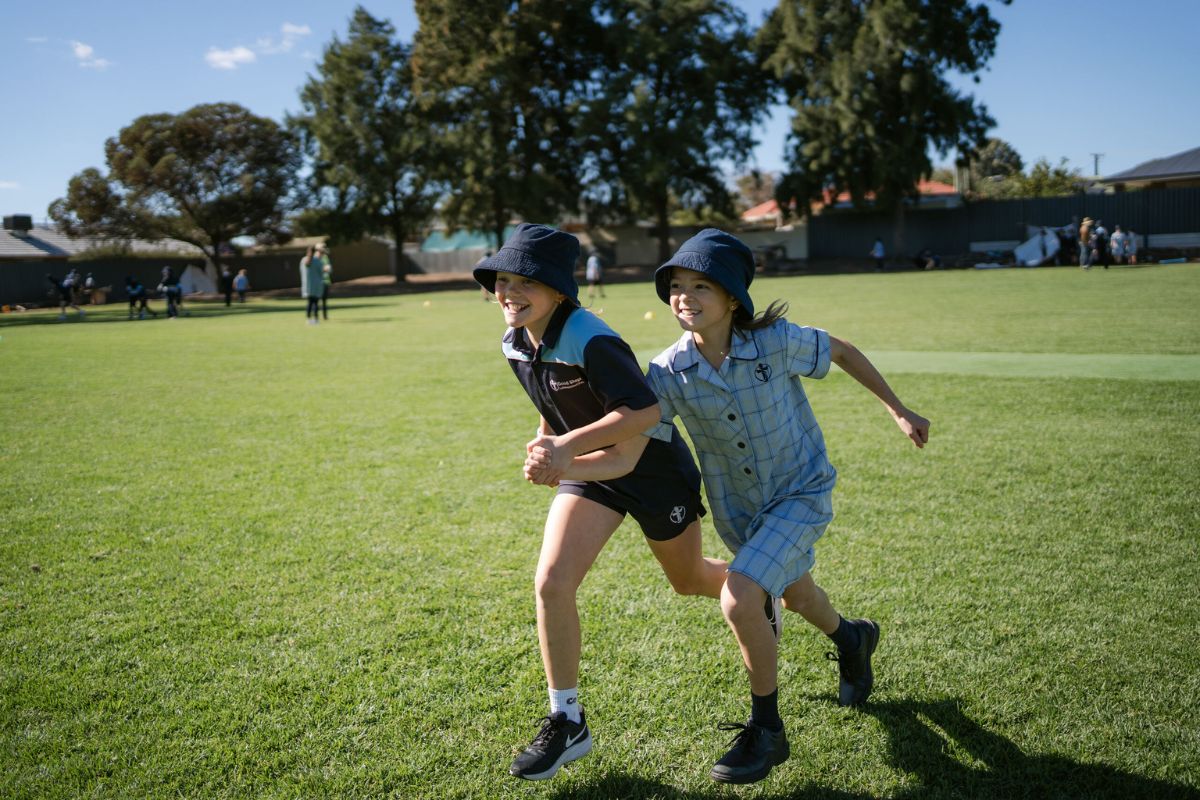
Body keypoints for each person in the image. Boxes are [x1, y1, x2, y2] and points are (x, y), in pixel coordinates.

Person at [534, 229, 931, 785]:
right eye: (676, 286)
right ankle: (852, 637)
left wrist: (897, 408)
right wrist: (565, 464)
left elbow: (839, 349)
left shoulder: (775, 342)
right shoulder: (665, 373)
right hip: (741, 513)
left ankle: (766, 728)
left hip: (801, 492)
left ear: (732, 297)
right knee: (797, 595)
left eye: (701, 286)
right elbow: (627, 456)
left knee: (740, 597)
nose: (684, 297)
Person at [474, 223, 731, 782]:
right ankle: (567, 719)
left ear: (558, 290)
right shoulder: (515, 341)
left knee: (689, 580)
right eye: (503, 280)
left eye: (526, 282)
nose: (510, 292)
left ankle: (755, 591)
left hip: (653, 471)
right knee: (551, 581)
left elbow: (643, 414)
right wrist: (547, 442)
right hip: (594, 470)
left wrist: (564, 451)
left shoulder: (592, 338)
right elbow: (550, 400)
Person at [300, 245, 324, 324]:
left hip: (308, 286)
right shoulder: (317, 261)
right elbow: (321, 272)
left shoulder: (303, 260)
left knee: (309, 303)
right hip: (316, 285)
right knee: (316, 303)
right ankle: (316, 319)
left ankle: (308, 319)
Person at [315, 243, 332, 320]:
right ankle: (316, 316)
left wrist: (327, 269)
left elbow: (329, 268)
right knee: (316, 300)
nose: (324, 249)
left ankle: (325, 316)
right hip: (317, 282)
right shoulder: (315, 258)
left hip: (325, 281)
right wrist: (323, 269)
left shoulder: (325, 257)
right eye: (322, 248)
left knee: (324, 300)